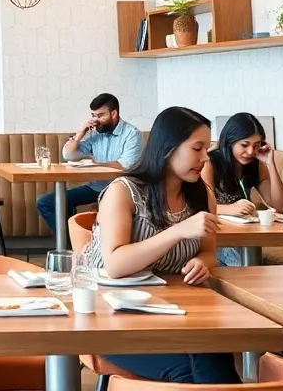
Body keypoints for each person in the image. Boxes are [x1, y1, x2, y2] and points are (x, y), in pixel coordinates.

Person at [84, 106, 237, 384]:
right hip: (108, 315)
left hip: (172, 309)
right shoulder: (124, 191)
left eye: (207, 149)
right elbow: (115, 265)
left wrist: (202, 263)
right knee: (189, 372)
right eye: (197, 148)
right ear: (168, 149)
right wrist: (178, 231)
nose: (205, 158)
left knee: (214, 349)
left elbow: (208, 251)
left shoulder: (202, 195)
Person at [37, 92, 142, 233]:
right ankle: (74, 245)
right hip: (95, 187)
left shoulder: (132, 134)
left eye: (100, 115)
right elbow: (69, 155)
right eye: (93, 116)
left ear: (114, 113)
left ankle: (79, 245)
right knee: (47, 202)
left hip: (122, 188)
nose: (95, 120)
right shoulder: (95, 133)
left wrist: (94, 165)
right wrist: (81, 132)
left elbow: (126, 166)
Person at [202, 112, 283, 265]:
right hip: (215, 236)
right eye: (244, 145)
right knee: (241, 264)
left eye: (256, 145)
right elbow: (200, 206)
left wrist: (270, 163)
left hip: (243, 236)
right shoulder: (210, 163)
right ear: (230, 141)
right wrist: (230, 209)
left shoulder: (255, 164)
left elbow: (281, 207)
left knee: (248, 262)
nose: (250, 151)